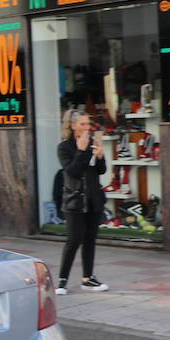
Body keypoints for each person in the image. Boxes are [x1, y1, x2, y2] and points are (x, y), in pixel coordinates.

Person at [56, 109, 109, 293]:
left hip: (93, 200)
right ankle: (62, 280)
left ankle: (88, 278)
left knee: (90, 240)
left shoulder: (92, 143)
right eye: (83, 124)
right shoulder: (65, 147)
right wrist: (80, 150)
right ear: (72, 126)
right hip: (74, 201)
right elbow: (72, 171)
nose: (87, 127)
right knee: (73, 240)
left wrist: (101, 156)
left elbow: (100, 170)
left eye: (88, 124)